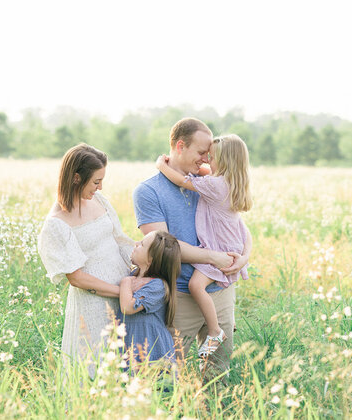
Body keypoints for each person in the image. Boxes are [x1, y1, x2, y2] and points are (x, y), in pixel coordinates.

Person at [134, 117, 251, 380]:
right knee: (175, 373)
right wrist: (213, 256)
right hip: (181, 294)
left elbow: (237, 226)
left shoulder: (210, 181)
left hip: (220, 290)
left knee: (218, 373)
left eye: (209, 154)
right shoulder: (148, 192)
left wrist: (243, 257)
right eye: (201, 153)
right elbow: (163, 247)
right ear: (179, 146)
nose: (206, 160)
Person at [38, 144, 136, 375]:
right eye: (95, 181)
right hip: (94, 305)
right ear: (75, 178)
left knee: (126, 361)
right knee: (96, 364)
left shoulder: (99, 201)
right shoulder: (56, 224)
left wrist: (143, 271)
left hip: (125, 295)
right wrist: (119, 291)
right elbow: (77, 278)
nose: (100, 187)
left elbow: (120, 240)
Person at [155, 134, 252, 357]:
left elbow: (181, 181)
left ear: (225, 162)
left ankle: (215, 330)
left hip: (219, 248)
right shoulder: (232, 183)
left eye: (212, 157)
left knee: (195, 286)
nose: (207, 161)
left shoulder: (216, 185)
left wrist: (161, 165)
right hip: (232, 243)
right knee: (199, 287)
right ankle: (213, 338)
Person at [118, 230, 180, 365]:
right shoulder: (133, 275)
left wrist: (125, 282)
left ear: (151, 259)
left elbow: (127, 307)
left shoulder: (158, 286)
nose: (136, 244)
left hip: (152, 350)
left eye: (141, 244)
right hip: (131, 346)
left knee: (152, 384)